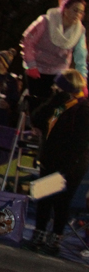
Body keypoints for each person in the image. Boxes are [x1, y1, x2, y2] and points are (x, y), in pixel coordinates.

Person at [22, 70, 89, 255]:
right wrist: (52, 101)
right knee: (43, 199)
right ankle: (39, 235)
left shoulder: (82, 109)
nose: (54, 87)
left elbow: (79, 142)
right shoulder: (58, 105)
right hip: (50, 161)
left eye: (58, 86)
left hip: (69, 166)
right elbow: (37, 118)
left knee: (61, 203)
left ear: (67, 88)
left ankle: (54, 240)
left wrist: (66, 169)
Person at [21, 0, 86, 110]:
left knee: (56, 107)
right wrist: (31, 65)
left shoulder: (80, 31)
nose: (78, 15)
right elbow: (28, 42)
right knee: (37, 106)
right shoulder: (46, 21)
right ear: (65, 9)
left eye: (81, 12)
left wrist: (82, 80)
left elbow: (81, 57)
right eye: (75, 10)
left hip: (59, 73)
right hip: (37, 70)